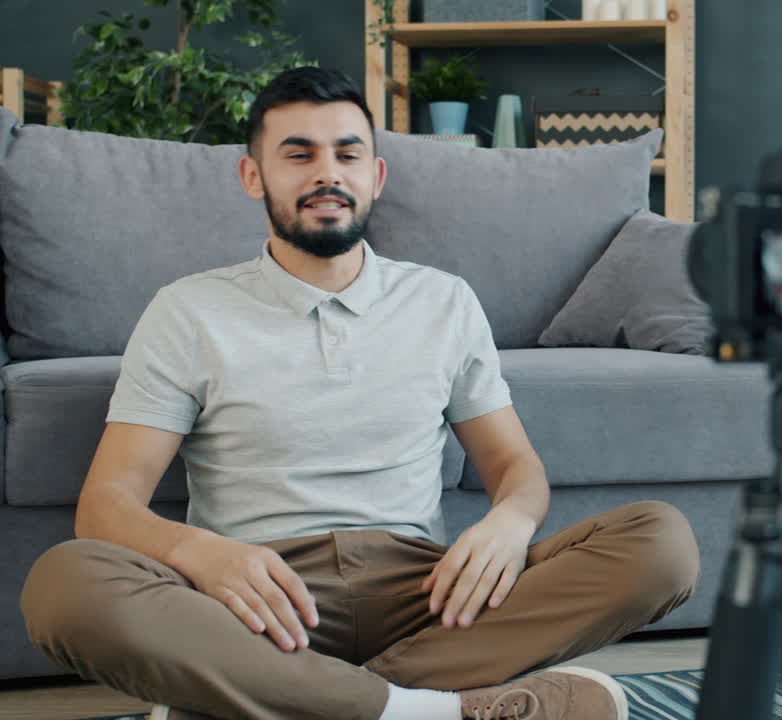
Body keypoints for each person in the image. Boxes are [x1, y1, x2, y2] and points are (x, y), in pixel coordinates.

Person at [20, 67, 699, 720]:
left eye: (347, 154)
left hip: (428, 595)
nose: (328, 173)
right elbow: (106, 505)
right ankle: (431, 711)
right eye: (299, 155)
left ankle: (270, 699)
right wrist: (202, 554)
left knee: (661, 544)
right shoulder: (187, 311)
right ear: (253, 175)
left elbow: (513, 465)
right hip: (254, 604)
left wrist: (510, 523)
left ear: (375, 176)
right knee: (65, 587)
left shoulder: (444, 301)